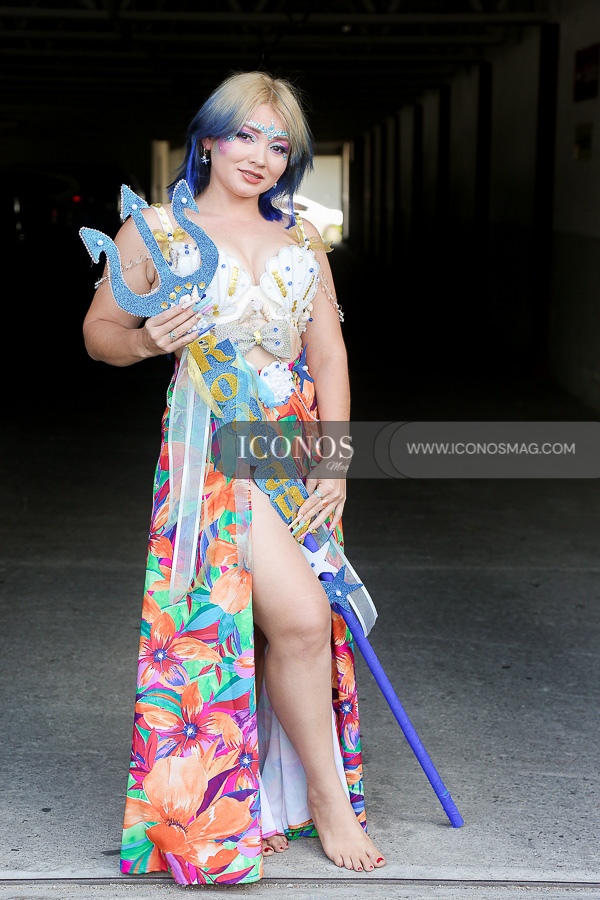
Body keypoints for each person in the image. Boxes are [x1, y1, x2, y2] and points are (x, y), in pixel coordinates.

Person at [83, 70, 385, 886]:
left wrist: (338, 460)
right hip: (214, 444)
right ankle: (326, 799)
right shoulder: (157, 230)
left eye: (279, 145)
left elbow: (329, 355)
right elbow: (100, 331)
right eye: (245, 135)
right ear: (209, 138)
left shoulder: (304, 236)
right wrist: (146, 342)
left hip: (296, 446)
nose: (260, 156)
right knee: (297, 616)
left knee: (295, 623)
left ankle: (271, 797)